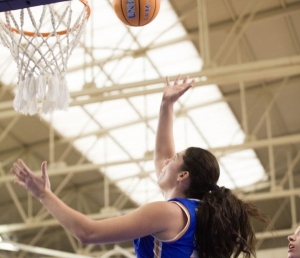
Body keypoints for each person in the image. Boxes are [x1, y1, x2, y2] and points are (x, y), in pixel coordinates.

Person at [11, 75, 268, 258]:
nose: (165, 161)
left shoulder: (167, 213)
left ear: (183, 176)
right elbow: (162, 157)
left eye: (174, 159)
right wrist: (166, 106)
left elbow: (87, 232)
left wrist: (44, 194)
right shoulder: (196, 211)